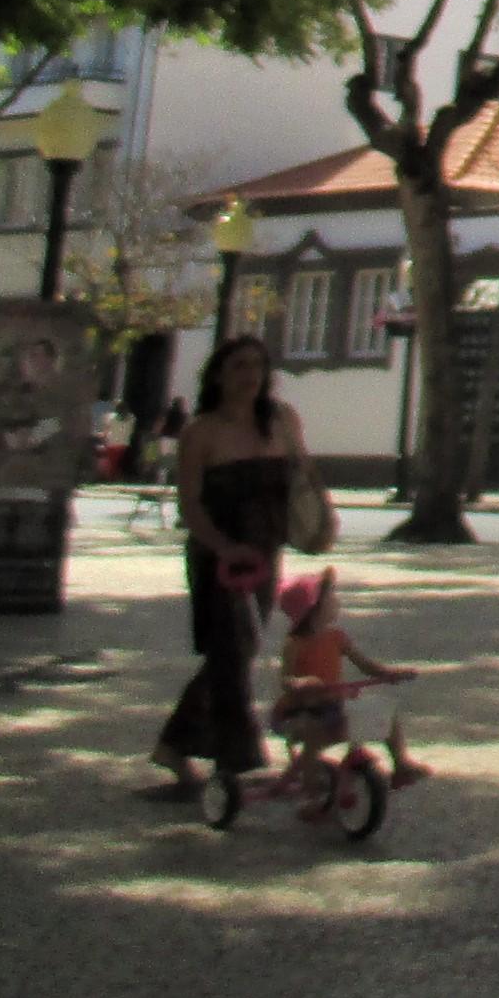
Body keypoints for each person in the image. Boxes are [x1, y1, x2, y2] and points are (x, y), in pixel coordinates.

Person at [149, 336, 309, 793]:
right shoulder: (201, 432)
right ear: (219, 373)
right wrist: (222, 547)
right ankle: (236, 760)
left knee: (238, 652)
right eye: (239, 366)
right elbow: (190, 505)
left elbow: (304, 479)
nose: (249, 377)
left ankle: (176, 745)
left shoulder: (281, 421)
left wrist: (318, 520)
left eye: (257, 366)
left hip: (266, 551)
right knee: (231, 652)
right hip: (218, 555)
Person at [271, 568, 423, 815]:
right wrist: (300, 682)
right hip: (299, 710)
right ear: (313, 610)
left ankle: (401, 764)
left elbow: (364, 664)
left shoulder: (337, 637)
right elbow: (286, 680)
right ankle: (311, 795)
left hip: (332, 704)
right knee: (313, 738)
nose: (336, 602)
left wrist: (388, 673)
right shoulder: (295, 644)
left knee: (384, 713)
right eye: (331, 597)